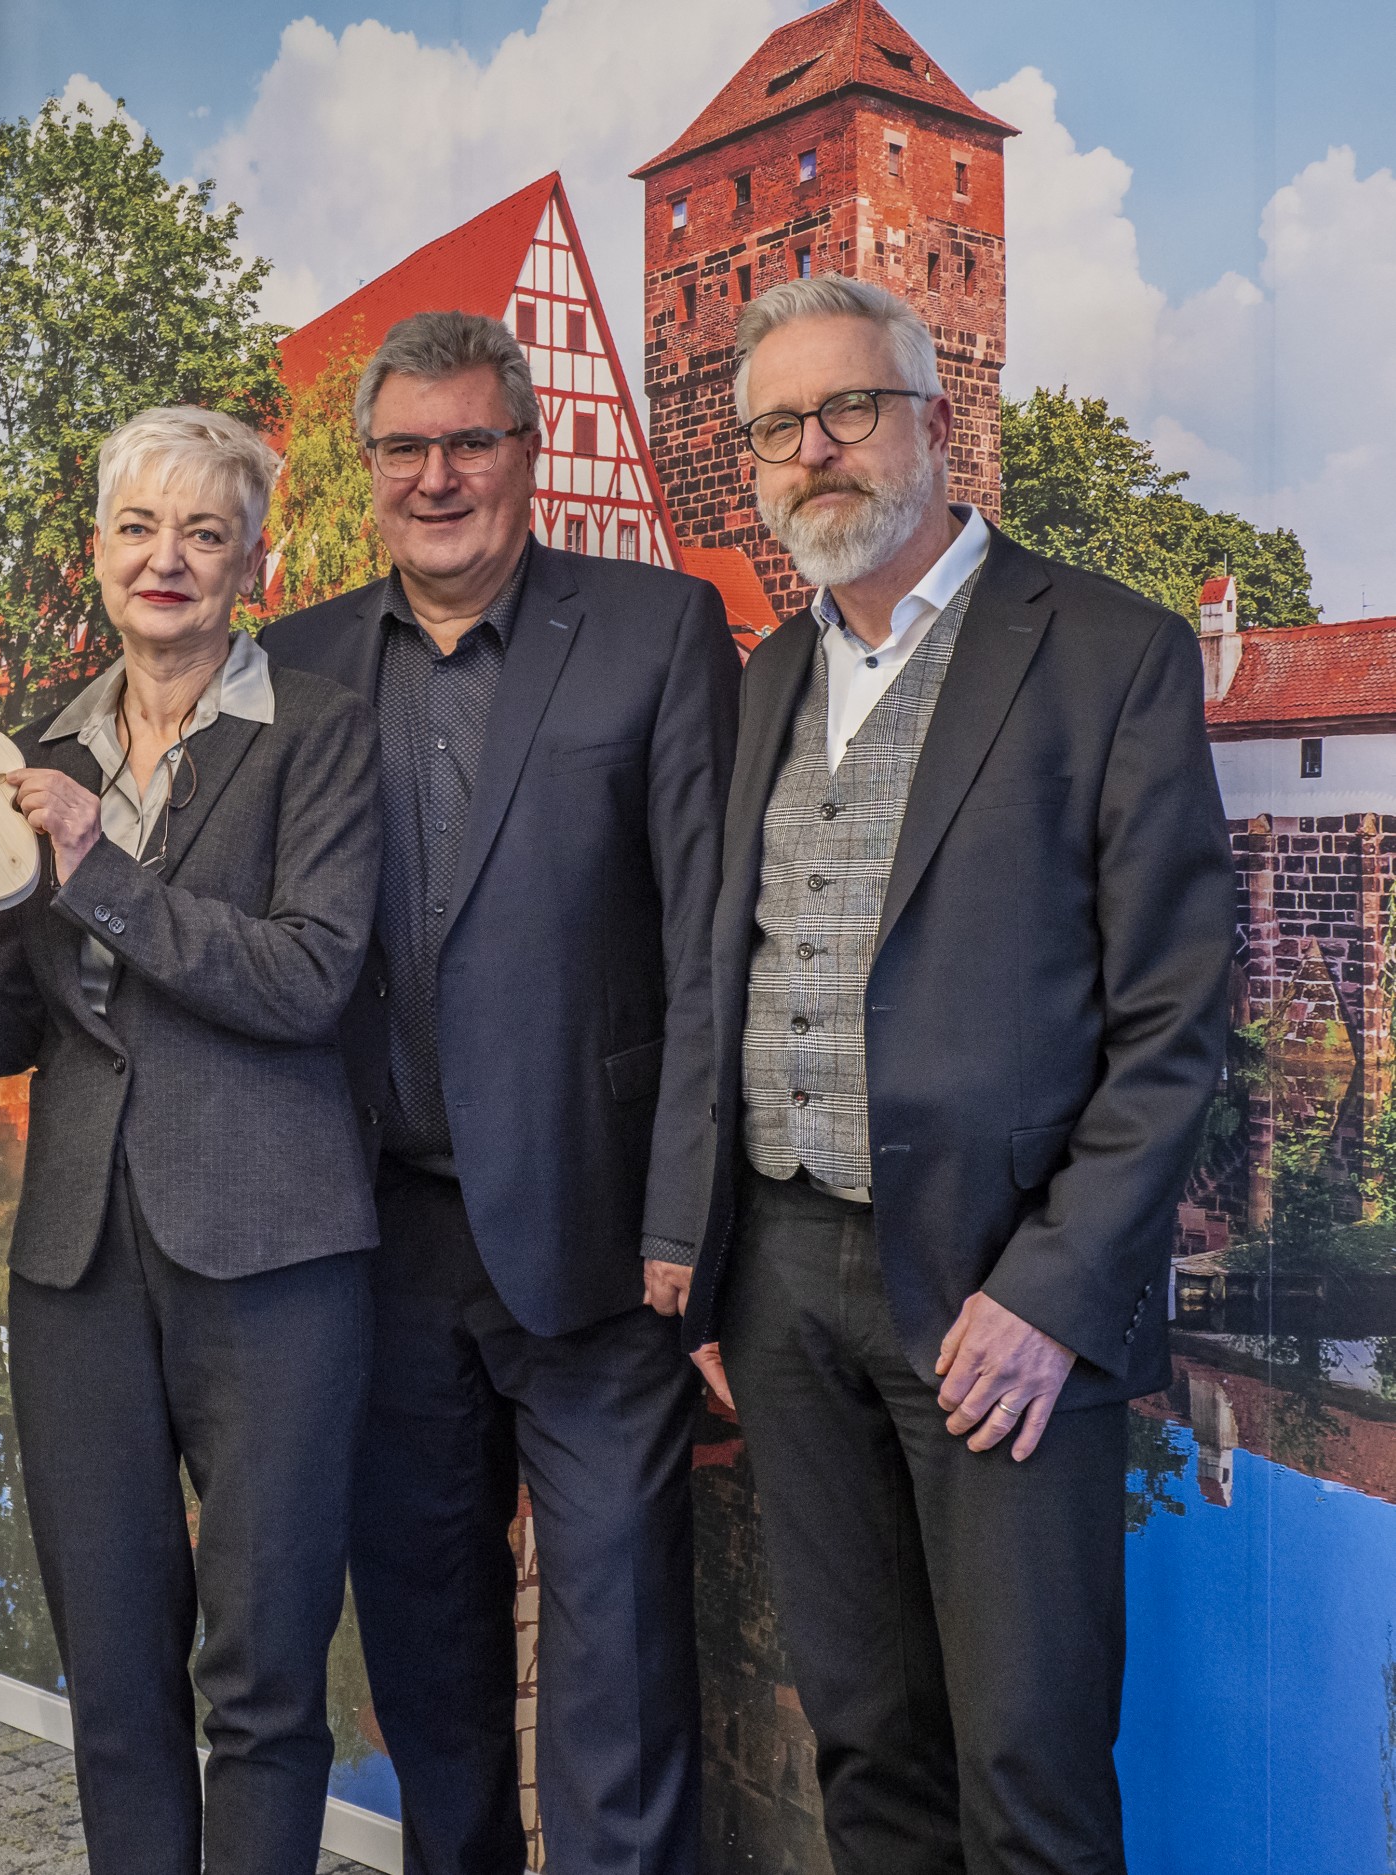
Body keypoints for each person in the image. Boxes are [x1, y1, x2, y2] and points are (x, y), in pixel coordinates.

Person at [680, 276, 1233, 1875]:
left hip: (1003, 1296)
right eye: (776, 428)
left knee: (1029, 1770)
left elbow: (1177, 1020)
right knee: (867, 1742)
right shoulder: (764, 678)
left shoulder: (1107, 656)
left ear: (933, 421)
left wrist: (1056, 1292)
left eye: (847, 410)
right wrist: (719, 1268)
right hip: (784, 1285)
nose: (813, 453)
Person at [0, 406, 381, 1875]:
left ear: (255, 556)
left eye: (203, 531)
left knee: (259, 1685)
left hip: (276, 1259)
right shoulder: (38, 748)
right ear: (99, 551)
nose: (165, 559)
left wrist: (93, 867)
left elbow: (307, 979)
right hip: (74, 1267)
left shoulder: (319, 734)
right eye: (138, 528)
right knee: (114, 1688)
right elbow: (9, 1016)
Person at [260, 310, 738, 1875]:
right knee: (429, 1670)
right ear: (371, 465)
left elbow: (702, 949)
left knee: (618, 1683)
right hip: (376, 1247)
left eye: (472, 441)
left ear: (530, 455)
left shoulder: (657, 630)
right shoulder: (298, 660)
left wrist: (687, 1216)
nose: (438, 476)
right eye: (405, 448)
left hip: (598, 1256)